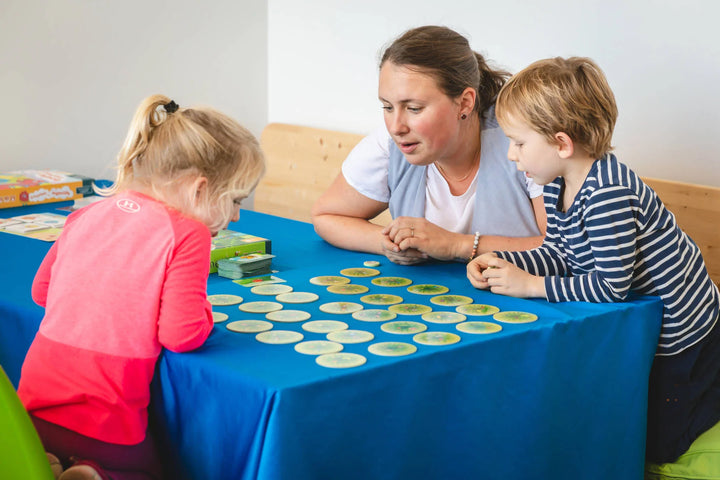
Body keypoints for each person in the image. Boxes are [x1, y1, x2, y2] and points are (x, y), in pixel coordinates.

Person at [466, 56, 720, 465]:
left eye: (519, 143)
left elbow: (610, 287)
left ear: (562, 144)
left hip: (682, 328)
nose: (512, 156)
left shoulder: (607, 196)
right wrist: (504, 261)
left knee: (664, 442)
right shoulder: (555, 183)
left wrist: (531, 285)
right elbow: (561, 253)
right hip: (645, 317)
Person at [18, 95, 266, 480]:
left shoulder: (87, 212)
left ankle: (60, 466)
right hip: (107, 416)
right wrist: (205, 312)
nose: (235, 214)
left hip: (35, 401)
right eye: (234, 200)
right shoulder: (190, 233)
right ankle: (95, 473)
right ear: (199, 189)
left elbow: (42, 293)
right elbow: (181, 335)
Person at [311, 25, 546, 265]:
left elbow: (565, 250)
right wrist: (387, 244)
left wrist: (456, 245)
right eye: (388, 107)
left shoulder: (525, 140)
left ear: (465, 103)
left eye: (414, 108)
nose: (396, 127)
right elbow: (327, 215)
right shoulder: (392, 143)